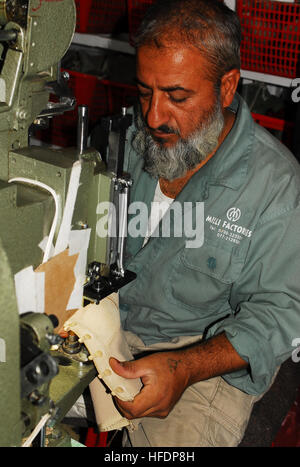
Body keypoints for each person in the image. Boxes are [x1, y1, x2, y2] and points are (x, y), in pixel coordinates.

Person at [106, 0, 300, 447]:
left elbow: (279, 314)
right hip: (108, 330)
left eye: (177, 97)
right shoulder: (128, 141)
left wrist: (185, 366)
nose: (153, 116)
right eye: (143, 92)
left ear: (227, 86)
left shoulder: (276, 188)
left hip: (200, 358)